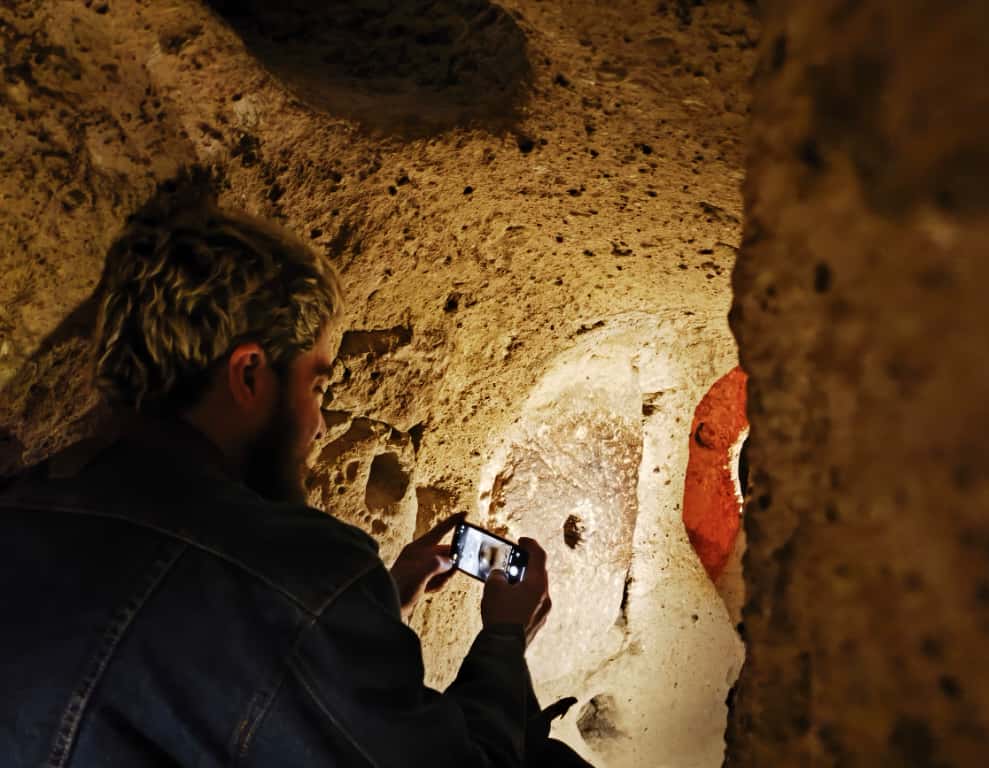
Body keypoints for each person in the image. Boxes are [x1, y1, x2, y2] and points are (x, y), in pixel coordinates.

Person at [0, 174, 588, 767]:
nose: (321, 425)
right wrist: (505, 640)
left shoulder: (22, 506)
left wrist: (389, 596)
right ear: (250, 374)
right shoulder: (301, 569)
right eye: (316, 383)